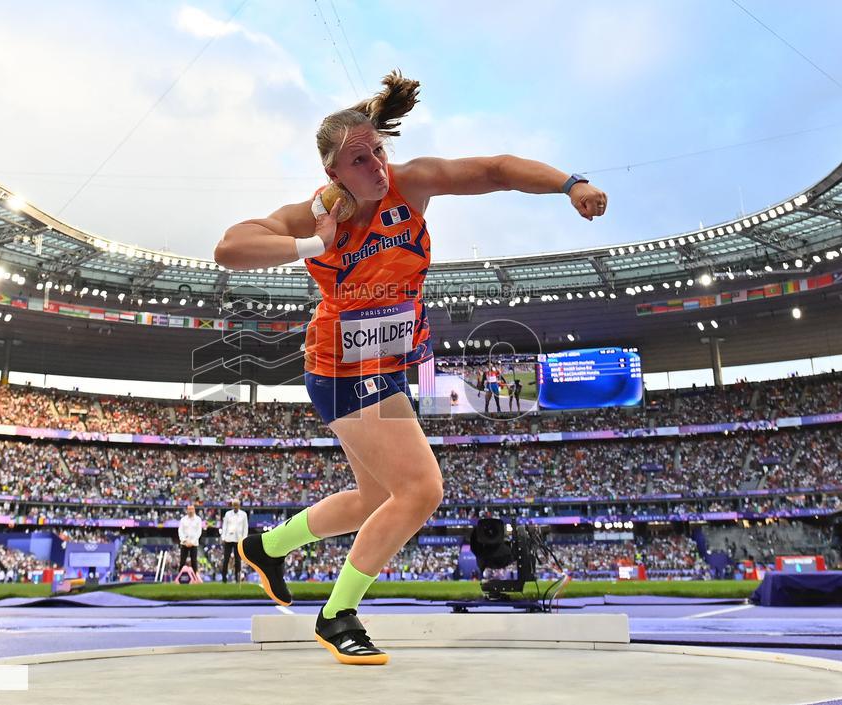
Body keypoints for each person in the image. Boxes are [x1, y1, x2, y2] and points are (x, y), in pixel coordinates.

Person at [215, 70, 607, 666]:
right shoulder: (314, 216)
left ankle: (267, 548)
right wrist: (314, 246)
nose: (376, 166)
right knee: (422, 489)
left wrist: (570, 185)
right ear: (333, 174)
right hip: (342, 366)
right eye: (359, 160)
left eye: (378, 150)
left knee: (377, 496)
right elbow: (230, 248)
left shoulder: (411, 184)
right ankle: (338, 613)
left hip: (388, 362)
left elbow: (495, 169)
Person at [220, 498, 249, 583]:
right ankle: (224, 579)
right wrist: (223, 537)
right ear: (232, 506)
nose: (235, 507)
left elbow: (245, 527)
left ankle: (237, 579)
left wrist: (244, 539)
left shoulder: (243, 515)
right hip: (228, 539)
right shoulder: (228, 514)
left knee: (237, 560)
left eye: (237, 505)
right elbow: (224, 526)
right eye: (234, 505)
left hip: (238, 540)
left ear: (239, 506)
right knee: (226, 559)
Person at [177, 503, 203, 576]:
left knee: (194, 561)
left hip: (193, 543)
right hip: (184, 543)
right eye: (189, 509)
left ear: (194, 510)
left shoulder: (198, 519)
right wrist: (185, 541)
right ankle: (179, 577)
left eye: (192, 509)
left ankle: (195, 577)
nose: (190, 511)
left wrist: (192, 542)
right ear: (187, 510)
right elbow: (180, 531)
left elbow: (199, 532)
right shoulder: (183, 519)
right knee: (182, 561)